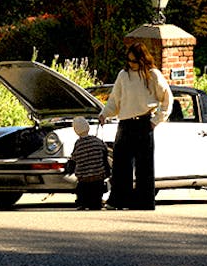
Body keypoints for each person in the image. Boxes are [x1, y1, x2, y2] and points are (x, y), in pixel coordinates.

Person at [98, 42, 173, 210]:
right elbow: (115, 100)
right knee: (120, 164)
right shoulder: (123, 76)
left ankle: (144, 202)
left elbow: (167, 98)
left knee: (144, 167)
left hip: (145, 123)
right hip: (125, 123)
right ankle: (118, 201)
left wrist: (156, 121)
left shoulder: (153, 76)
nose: (131, 64)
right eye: (129, 60)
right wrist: (105, 114)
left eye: (134, 61)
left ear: (142, 59)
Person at [65, 116, 110, 210]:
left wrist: (70, 169)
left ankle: (83, 203)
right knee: (96, 196)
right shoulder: (97, 141)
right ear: (88, 127)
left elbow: (74, 158)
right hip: (98, 176)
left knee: (83, 191)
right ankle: (96, 203)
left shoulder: (78, 144)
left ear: (75, 130)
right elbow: (105, 153)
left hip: (84, 178)